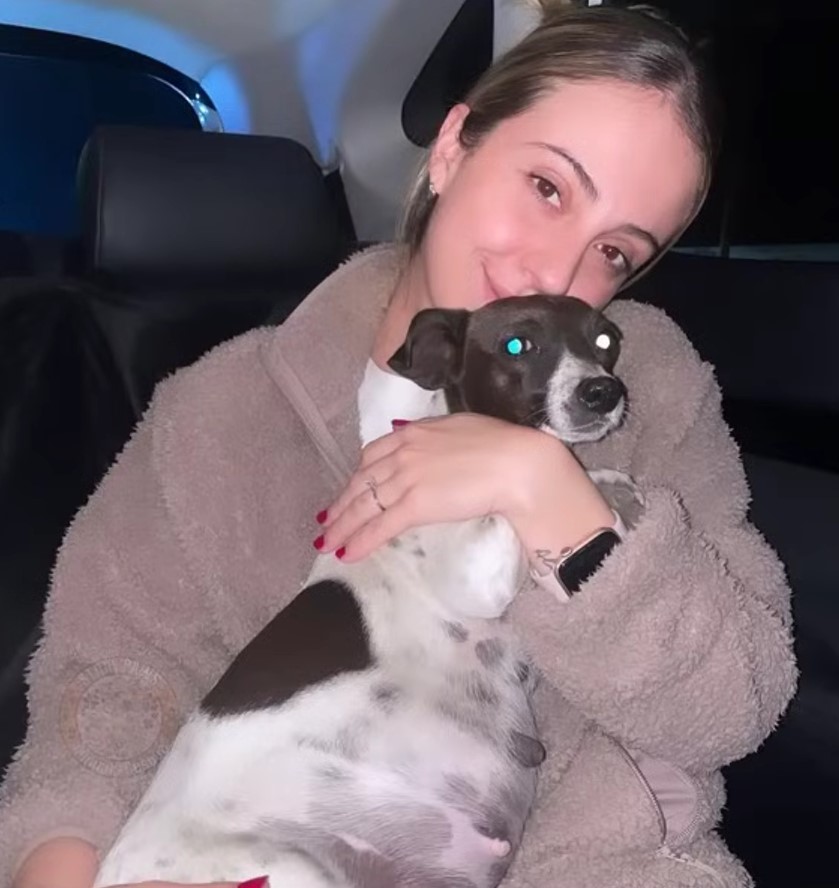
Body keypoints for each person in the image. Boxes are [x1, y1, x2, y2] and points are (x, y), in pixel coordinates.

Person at [2, 3, 797, 887]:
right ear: (454, 146)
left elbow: (733, 704)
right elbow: (102, 702)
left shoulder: (650, 393)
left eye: (613, 250)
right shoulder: (220, 414)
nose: (556, 271)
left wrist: (550, 495)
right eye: (547, 187)